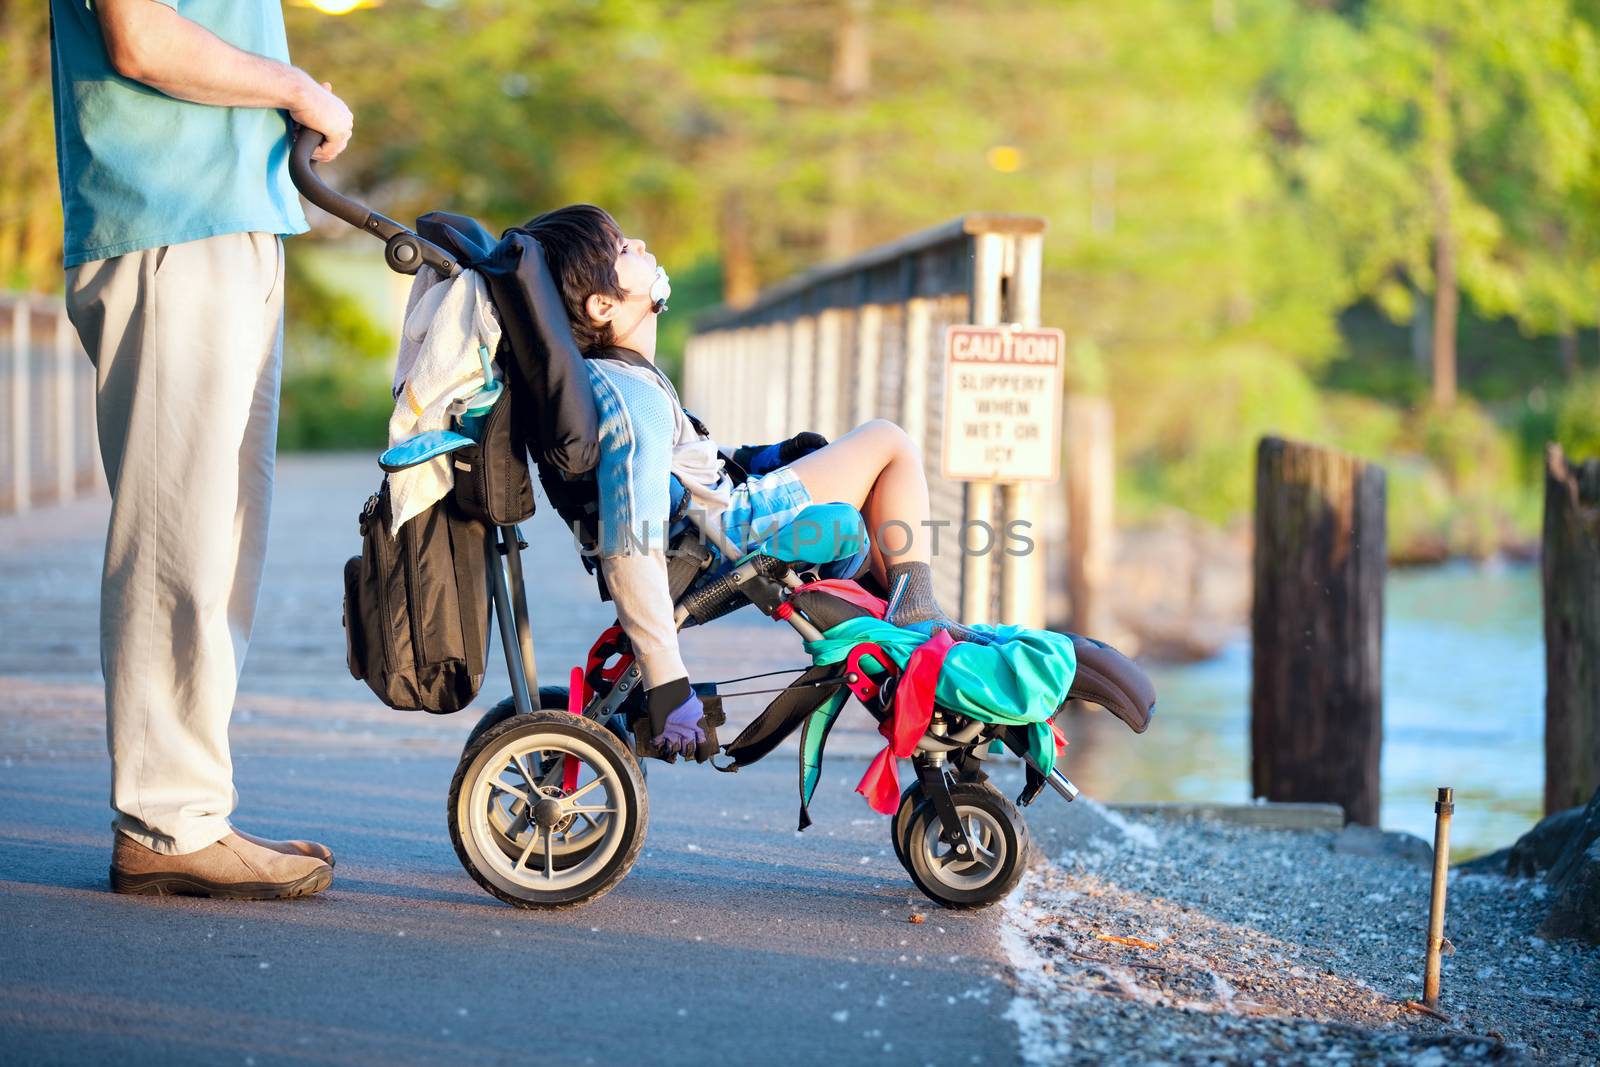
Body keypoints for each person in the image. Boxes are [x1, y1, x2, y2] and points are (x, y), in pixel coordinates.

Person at [50, 0, 353, 898]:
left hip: (228, 219)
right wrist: (298, 89)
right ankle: (165, 820)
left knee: (217, 539)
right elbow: (139, 36)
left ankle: (189, 808)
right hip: (168, 222)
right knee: (174, 532)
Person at [519, 205, 989, 758]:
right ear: (603, 306)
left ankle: (911, 632)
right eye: (623, 249)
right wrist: (666, 679)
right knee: (886, 440)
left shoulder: (622, 379)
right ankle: (921, 622)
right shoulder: (631, 398)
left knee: (863, 496)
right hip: (718, 537)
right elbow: (630, 544)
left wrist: (771, 455)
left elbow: (689, 464)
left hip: (712, 520)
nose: (641, 244)